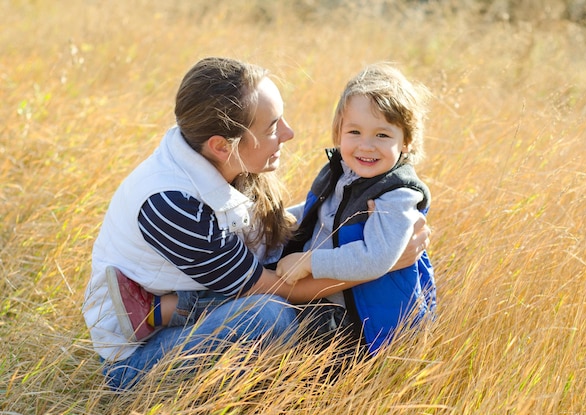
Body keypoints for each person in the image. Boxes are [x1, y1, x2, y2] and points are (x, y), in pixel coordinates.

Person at [82, 57, 432, 391]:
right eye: (272, 127)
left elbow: (291, 227)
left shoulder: (215, 157)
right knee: (267, 317)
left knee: (280, 300)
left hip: (209, 309)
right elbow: (272, 287)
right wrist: (384, 263)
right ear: (222, 145)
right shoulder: (174, 206)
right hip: (141, 362)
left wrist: (383, 238)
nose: (290, 133)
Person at [275, 63, 436, 354]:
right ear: (338, 133)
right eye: (355, 132)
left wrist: (309, 262)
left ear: (407, 142)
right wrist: (280, 218)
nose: (366, 145)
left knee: (299, 362)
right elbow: (319, 212)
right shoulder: (342, 172)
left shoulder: (396, 194)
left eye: (382, 135)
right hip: (329, 301)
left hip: (361, 325)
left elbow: (376, 258)